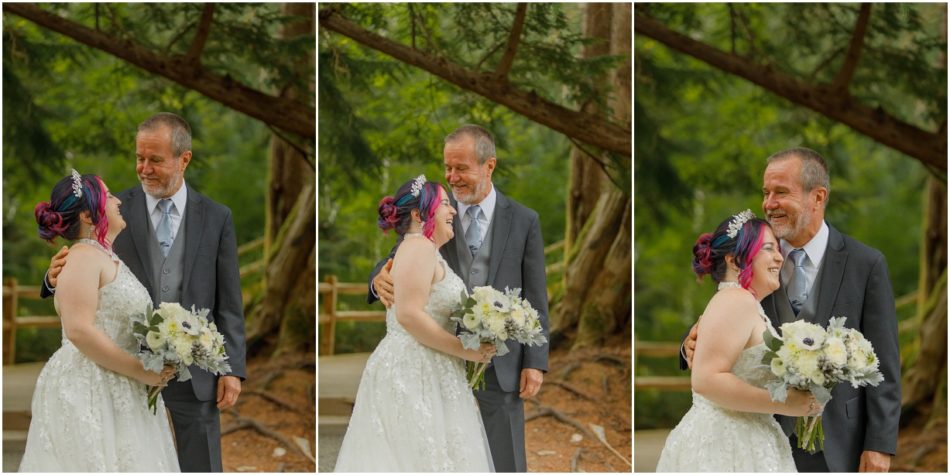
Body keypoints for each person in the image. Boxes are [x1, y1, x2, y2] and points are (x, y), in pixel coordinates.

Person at [41, 113, 247, 472]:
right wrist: (51, 278)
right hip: (119, 370)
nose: (144, 168)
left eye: (155, 160)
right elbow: (79, 262)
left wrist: (231, 367)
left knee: (201, 464)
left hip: (194, 369)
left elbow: (229, 300)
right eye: (140, 158)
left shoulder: (217, 217)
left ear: (184, 159)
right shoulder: (110, 211)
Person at [681, 148, 901, 472]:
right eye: (766, 193)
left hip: (840, 443)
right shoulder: (752, 258)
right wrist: (689, 347)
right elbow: (720, 319)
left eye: (781, 192)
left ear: (818, 196)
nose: (769, 203)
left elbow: (885, 361)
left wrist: (880, 444)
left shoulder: (865, 264)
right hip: (760, 436)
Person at [369, 125, 550, 472]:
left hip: (501, 360)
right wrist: (378, 277)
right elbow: (401, 253)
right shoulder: (434, 211)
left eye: (461, 168)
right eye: (448, 168)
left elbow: (536, 295)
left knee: (506, 461)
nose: (452, 177)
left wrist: (535, 361)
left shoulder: (524, 220)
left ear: (489, 165)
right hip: (437, 359)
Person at [335, 176, 496, 471]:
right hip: (414, 369)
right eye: (445, 204)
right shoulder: (419, 247)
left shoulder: (426, 250)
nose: (452, 211)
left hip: (431, 366)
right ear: (419, 215)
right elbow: (408, 315)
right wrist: (465, 350)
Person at [20, 172, 180, 471]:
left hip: (119, 384)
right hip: (91, 387)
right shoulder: (82, 257)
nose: (119, 200)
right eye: (110, 196)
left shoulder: (105, 257)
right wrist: (140, 370)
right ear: (88, 216)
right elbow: (79, 330)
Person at [656, 210, 816, 472]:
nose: (779, 257)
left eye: (778, 249)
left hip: (749, 437)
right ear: (734, 261)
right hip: (725, 445)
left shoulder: (748, 303)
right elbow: (706, 380)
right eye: (768, 248)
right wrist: (786, 403)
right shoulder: (736, 300)